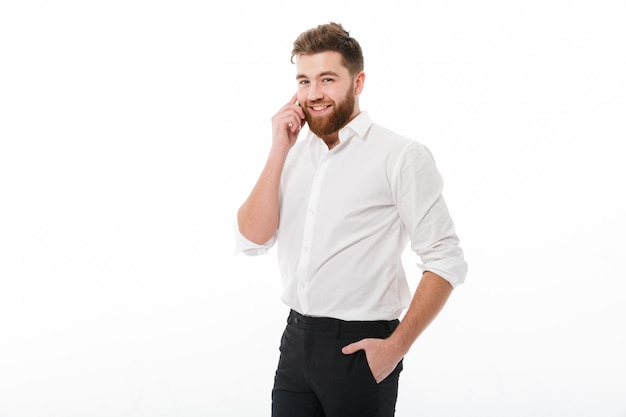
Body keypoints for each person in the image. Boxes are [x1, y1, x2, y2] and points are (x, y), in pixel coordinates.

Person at [234, 22, 468, 417]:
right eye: (304, 81)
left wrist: (395, 348)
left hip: (361, 349)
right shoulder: (291, 152)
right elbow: (252, 239)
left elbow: (446, 260)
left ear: (357, 82)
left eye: (327, 79)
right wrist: (278, 148)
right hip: (295, 344)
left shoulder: (400, 156)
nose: (313, 94)